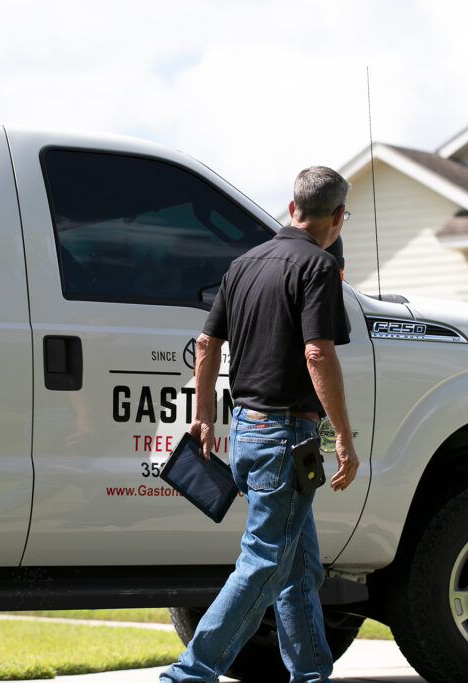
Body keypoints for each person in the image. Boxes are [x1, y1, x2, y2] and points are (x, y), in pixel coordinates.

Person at [160, 166, 359, 683]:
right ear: (337, 217)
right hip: (288, 439)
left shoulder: (243, 264)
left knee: (298, 567)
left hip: (247, 432)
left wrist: (203, 417)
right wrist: (342, 439)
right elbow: (317, 354)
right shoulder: (316, 268)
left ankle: (312, 674)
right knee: (265, 564)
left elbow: (205, 345)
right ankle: (187, 675)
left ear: (293, 207)